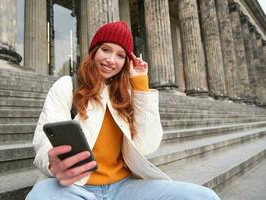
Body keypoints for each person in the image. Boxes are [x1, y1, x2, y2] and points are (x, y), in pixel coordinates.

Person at [26, 21, 220, 200]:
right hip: (76, 187)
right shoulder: (67, 85)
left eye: (120, 55)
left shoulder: (127, 95)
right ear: (94, 51)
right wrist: (52, 164)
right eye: (106, 50)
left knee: (204, 196)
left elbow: (147, 144)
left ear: (126, 62)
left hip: (123, 187)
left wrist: (140, 85)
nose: (111, 60)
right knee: (40, 196)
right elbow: (44, 139)